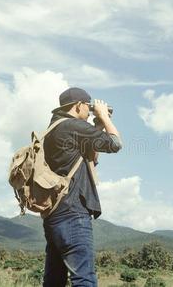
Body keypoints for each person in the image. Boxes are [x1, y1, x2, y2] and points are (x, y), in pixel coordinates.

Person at [42, 87, 122, 286]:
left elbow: (90, 159)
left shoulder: (53, 129)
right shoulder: (73, 126)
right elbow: (115, 144)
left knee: (54, 280)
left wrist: (97, 125)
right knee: (84, 279)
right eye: (88, 106)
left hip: (53, 216)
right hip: (73, 213)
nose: (90, 110)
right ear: (78, 106)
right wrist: (104, 116)